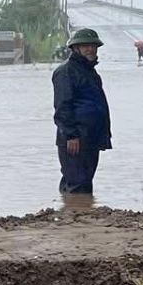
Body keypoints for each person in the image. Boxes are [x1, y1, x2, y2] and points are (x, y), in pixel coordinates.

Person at [52, 28, 112, 196]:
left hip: (91, 137)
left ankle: (75, 212)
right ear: (75, 48)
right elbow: (63, 107)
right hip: (75, 138)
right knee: (78, 183)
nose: (90, 49)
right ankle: (77, 218)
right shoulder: (65, 72)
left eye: (93, 46)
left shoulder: (90, 72)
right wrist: (71, 135)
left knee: (83, 180)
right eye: (85, 46)